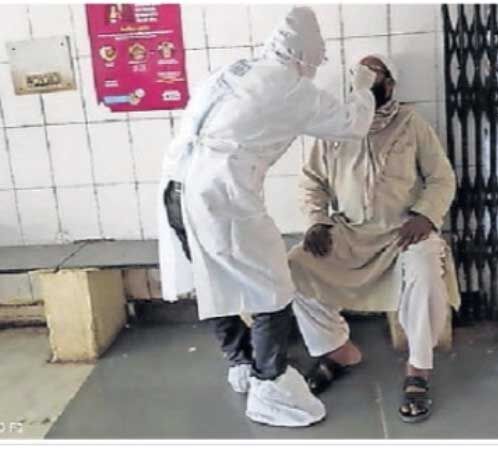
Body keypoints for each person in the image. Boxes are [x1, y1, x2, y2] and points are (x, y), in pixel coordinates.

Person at [156, 7, 377, 427]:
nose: (315, 70)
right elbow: (352, 125)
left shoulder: (235, 71)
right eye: (316, 61)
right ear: (304, 56)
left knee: (211, 280)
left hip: (176, 189)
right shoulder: (290, 88)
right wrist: (362, 87)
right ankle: (269, 384)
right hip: (220, 199)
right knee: (272, 291)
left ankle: (242, 361)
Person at [288, 54, 460, 423]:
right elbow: (312, 182)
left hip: (403, 232)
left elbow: (442, 178)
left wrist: (425, 215)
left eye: (374, 73)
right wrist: (317, 221)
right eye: (360, 73)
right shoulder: (335, 127)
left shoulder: (410, 123)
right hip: (351, 233)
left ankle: (418, 369)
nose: (366, 78)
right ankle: (338, 350)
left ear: (390, 84)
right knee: (293, 267)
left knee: (426, 270)